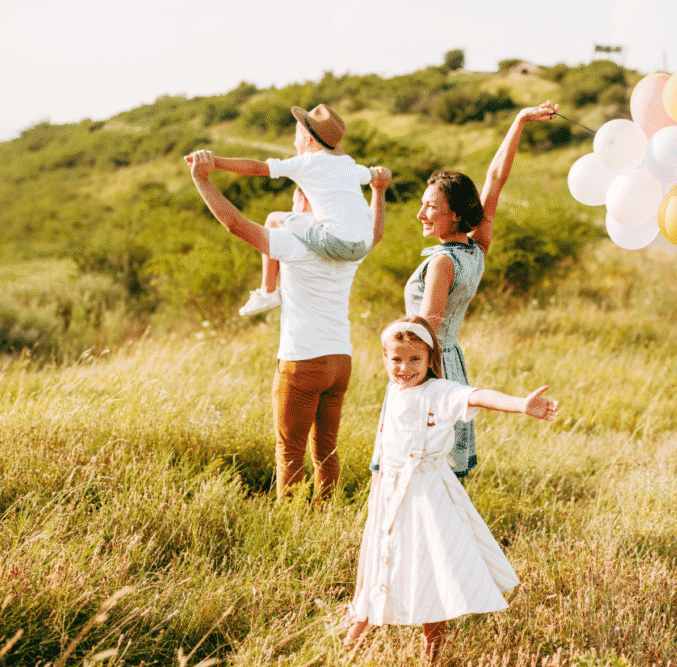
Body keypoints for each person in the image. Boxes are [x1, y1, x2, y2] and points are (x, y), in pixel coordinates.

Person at [346, 316, 558, 663]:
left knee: (432, 565)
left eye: (415, 359)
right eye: (396, 359)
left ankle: (433, 651)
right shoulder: (393, 390)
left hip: (427, 496)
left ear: (431, 359)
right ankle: (358, 631)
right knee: (378, 559)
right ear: (384, 357)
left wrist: (521, 404)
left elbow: (477, 395)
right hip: (389, 493)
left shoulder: (438, 392)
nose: (405, 368)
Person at [186, 147, 392, 500]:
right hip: (341, 361)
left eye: (296, 202)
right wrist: (379, 191)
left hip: (302, 362)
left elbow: (235, 224)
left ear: (306, 205)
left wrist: (202, 180)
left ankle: (291, 523)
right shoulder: (351, 247)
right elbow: (375, 234)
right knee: (325, 450)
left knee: (290, 452)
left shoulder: (295, 245)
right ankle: (324, 517)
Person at [371, 101, 560, 481]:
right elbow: (494, 180)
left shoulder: (443, 261)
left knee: (415, 465)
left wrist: (397, 358)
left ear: (455, 213)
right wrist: (520, 120)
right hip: (452, 359)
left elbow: (424, 331)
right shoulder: (477, 248)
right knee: (442, 470)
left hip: (428, 366)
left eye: (430, 207)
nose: (421, 214)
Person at [186, 103, 376, 316]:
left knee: (274, 218)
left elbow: (258, 168)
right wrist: (380, 177)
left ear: (308, 139)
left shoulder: (306, 163)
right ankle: (268, 292)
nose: (294, 141)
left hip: (335, 242)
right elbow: (373, 176)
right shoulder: (348, 164)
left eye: (296, 135)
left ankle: (267, 292)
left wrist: (215, 162)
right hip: (363, 243)